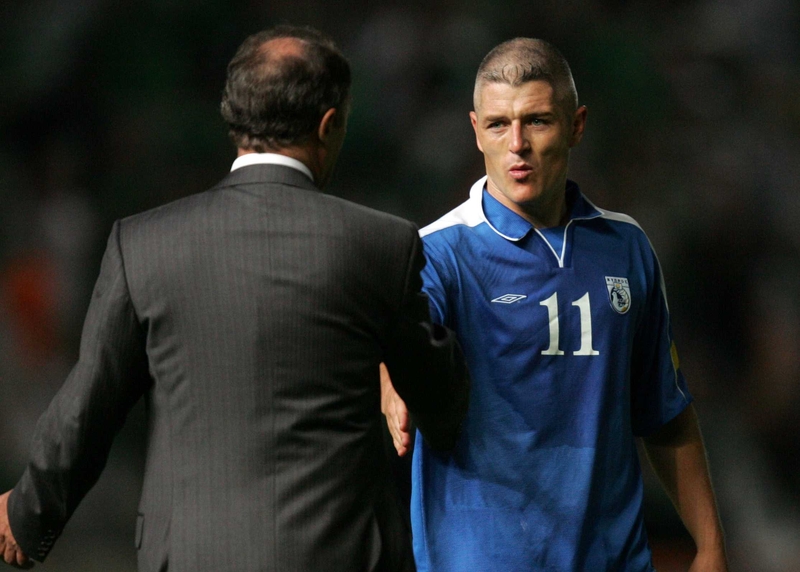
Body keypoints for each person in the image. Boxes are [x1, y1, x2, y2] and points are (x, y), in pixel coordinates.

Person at [0, 25, 470, 572]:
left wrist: (30, 515)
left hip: (194, 556)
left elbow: (88, 409)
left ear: (233, 119)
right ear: (329, 122)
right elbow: (442, 400)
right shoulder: (381, 246)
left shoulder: (144, 244)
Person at [381, 38, 728, 571]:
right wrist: (389, 370)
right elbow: (399, 328)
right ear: (476, 131)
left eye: (537, 121)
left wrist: (709, 547)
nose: (516, 143)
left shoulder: (627, 247)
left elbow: (665, 414)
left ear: (576, 125)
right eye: (498, 124)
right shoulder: (439, 252)